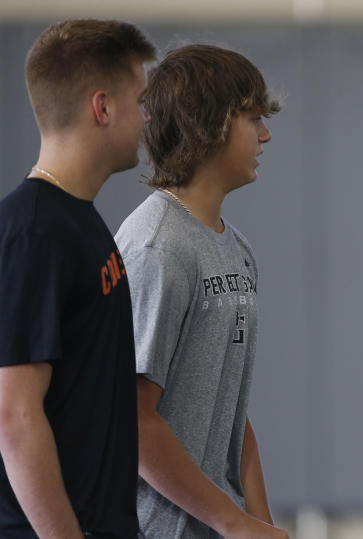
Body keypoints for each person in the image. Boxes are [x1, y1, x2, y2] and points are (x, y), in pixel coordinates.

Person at [114, 45, 287, 538]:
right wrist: (232, 522)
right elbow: (135, 421)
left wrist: (257, 523)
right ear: (205, 125)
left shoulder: (237, 248)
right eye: (253, 118)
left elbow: (231, 410)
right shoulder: (156, 247)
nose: (266, 134)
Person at [0, 19, 156, 538]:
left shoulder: (76, 220)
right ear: (103, 107)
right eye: (140, 99)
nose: (147, 116)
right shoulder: (34, 234)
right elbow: (15, 419)